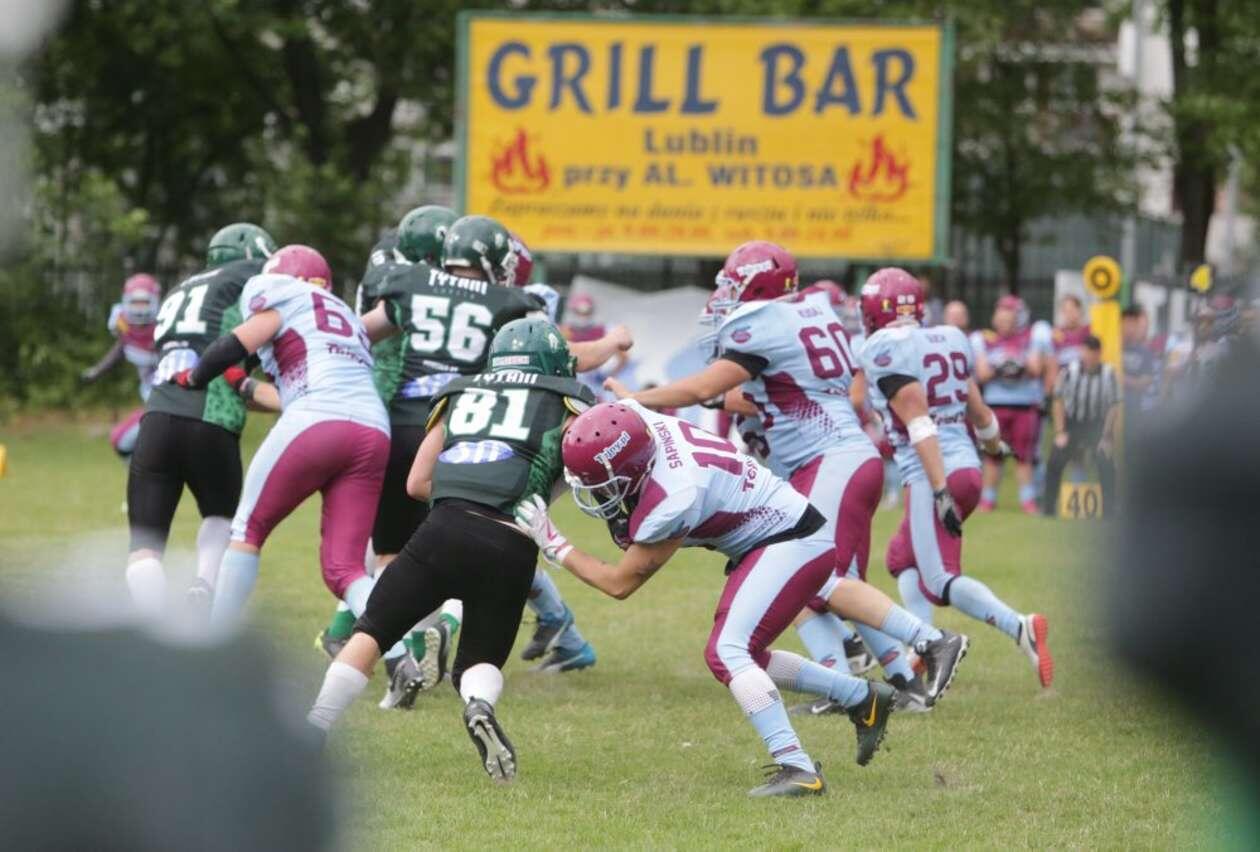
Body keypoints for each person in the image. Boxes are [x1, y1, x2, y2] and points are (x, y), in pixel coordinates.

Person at [522, 401, 966, 798]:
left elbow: (620, 583)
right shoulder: (633, 419)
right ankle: (860, 696)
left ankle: (798, 768)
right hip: (777, 536)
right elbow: (582, 428)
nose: (597, 493)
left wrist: (554, 543)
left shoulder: (675, 495)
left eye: (604, 483)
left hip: (790, 542)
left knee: (727, 652)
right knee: (745, 654)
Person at [606, 241, 939, 711]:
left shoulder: (764, 325)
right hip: (838, 459)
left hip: (829, 459)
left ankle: (924, 643)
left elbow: (706, 386)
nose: (724, 295)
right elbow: (753, 397)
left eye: (732, 284)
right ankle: (901, 679)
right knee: (828, 581)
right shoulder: (798, 326)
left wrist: (639, 401)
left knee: (815, 578)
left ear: (758, 286)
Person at [306, 318, 597, 783]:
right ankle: (478, 705)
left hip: (445, 525)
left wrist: (463, 492)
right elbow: (586, 470)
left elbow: (416, 482)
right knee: (481, 657)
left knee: (372, 632)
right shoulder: (570, 402)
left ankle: (316, 727)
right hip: (514, 540)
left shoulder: (461, 392)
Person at [173, 244, 421, 704]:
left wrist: (194, 377)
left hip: (318, 418)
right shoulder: (343, 316)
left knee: (246, 530)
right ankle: (400, 654)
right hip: (371, 429)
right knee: (346, 568)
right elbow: (290, 386)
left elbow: (234, 345)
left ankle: (214, 654)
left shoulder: (284, 296)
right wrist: (242, 382)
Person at [859, 268, 1054, 690]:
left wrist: (939, 490)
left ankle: (1019, 626)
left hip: (933, 473)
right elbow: (979, 412)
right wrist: (995, 445)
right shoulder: (947, 339)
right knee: (901, 558)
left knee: (938, 578)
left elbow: (920, 425)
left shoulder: (884, 349)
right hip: (966, 468)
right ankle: (919, 653)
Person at [316, 205, 460, 677]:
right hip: (422, 412)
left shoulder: (392, 267)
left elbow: (358, 331)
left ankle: (365, 633)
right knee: (440, 536)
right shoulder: (417, 283)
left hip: (383, 413)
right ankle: (411, 638)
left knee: (391, 540)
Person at [124, 223, 279, 618]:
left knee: (144, 546)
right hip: (210, 415)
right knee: (220, 514)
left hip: (156, 415)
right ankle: (204, 584)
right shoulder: (249, 274)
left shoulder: (180, 289)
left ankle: (153, 627)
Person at [970, 295, 1050, 513]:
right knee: (992, 454)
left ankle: (1028, 500)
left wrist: (1018, 365)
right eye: (1002, 319)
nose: (1005, 324)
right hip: (995, 405)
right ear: (995, 320)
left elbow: (1035, 370)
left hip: (1024, 405)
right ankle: (988, 499)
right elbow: (982, 374)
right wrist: (1001, 366)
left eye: (1010, 319)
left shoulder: (1029, 338)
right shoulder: (984, 340)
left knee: (1023, 455)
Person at [81, 273, 163, 461]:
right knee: (123, 442)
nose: (139, 309)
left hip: (168, 400)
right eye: (135, 303)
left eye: (144, 302)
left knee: (124, 441)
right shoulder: (122, 322)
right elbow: (123, 346)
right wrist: (97, 371)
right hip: (151, 398)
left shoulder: (166, 324)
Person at [1043, 336, 1119, 516]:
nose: (1087, 357)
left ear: (1098, 354)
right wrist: (1060, 432)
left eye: (1091, 353)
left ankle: (1109, 511)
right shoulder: (1069, 372)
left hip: (1097, 425)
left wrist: (1106, 436)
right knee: (1055, 461)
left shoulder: (1109, 374)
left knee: (1106, 462)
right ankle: (1048, 509)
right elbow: (1058, 400)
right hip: (1073, 424)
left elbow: (1114, 406)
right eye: (1085, 352)